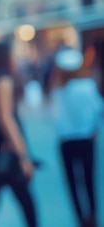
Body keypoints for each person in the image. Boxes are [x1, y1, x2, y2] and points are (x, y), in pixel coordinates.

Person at [0, 42, 37, 227]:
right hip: (6, 154)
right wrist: (23, 156)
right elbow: (6, 119)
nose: (16, 59)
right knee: (28, 206)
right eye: (14, 55)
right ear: (5, 58)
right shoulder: (3, 79)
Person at [50, 47, 103, 227]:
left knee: (72, 183)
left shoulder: (58, 89)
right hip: (86, 139)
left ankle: (81, 219)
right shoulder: (87, 86)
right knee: (89, 180)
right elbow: (97, 110)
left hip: (66, 141)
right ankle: (93, 217)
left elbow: (56, 116)